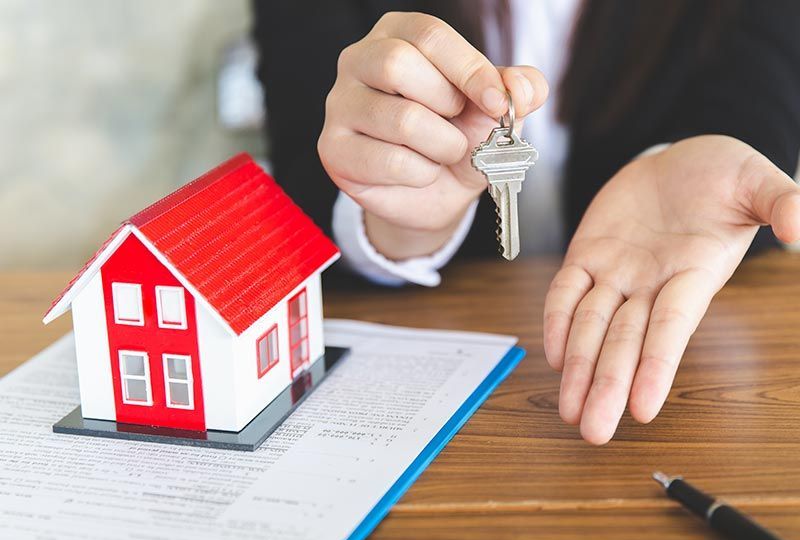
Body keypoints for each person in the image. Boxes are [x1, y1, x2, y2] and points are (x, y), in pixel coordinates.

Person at [253, 1, 800, 444]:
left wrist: (704, 162)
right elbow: (307, 163)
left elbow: (755, 90)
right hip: (431, 383)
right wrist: (397, 219)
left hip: (714, 363)